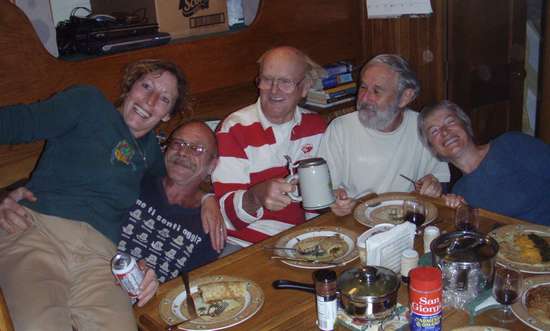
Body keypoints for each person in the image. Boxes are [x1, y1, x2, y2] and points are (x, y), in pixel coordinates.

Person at [0, 59, 185, 331]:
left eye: (164, 99)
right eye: (146, 86)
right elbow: (13, 123)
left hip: (101, 262)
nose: (150, 99)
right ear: (129, 87)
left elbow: (177, 189)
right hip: (38, 235)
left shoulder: (151, 155)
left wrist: (208, 200)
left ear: (167, 114)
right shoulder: (88, 103)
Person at [212, 46, 353, 252]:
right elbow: (225, 216)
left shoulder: (317, 127)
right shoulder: (234, 128)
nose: (274, 90)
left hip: (304, 242)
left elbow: (321, 199)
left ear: (304, 88)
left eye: (285, 82)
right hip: (246, 245)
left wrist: (335, 202)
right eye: (267, 80)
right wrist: (256, 196)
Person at [318, 54, 450, 201]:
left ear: (405, 97)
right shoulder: (340, 129)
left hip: (408, 217)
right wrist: (336, 200)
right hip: (354, 218)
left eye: (376, 91)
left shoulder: (424, 127)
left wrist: (434, 184)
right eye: (363, 87)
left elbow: (441, 181)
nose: (365, 98)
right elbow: (325, 190)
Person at [117, 121, 221, 283]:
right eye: (178, 143)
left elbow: (191, 289)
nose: (183, 152)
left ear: (212, 165)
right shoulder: (137, 180)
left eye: (197, 149)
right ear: (165, 150)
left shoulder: (209, 226)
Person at [418, 100, 550, 226]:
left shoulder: (511, 144)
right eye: (434, 131)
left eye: (450, 122)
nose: (445, 132)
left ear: (465, 125)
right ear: (433, 148)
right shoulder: (461, 191)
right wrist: (461, 212)